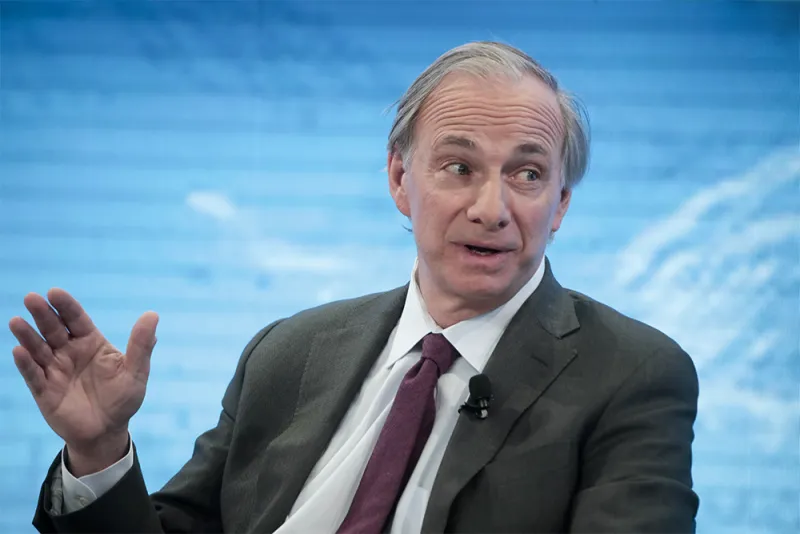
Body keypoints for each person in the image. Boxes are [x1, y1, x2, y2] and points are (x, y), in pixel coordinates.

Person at [10, 41, 699, 533]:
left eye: (527, 174)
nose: (492, 209)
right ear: (400, 180)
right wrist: (100, 450)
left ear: (561, 204)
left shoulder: (630, 374)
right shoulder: (289, 352)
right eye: (459, 168)